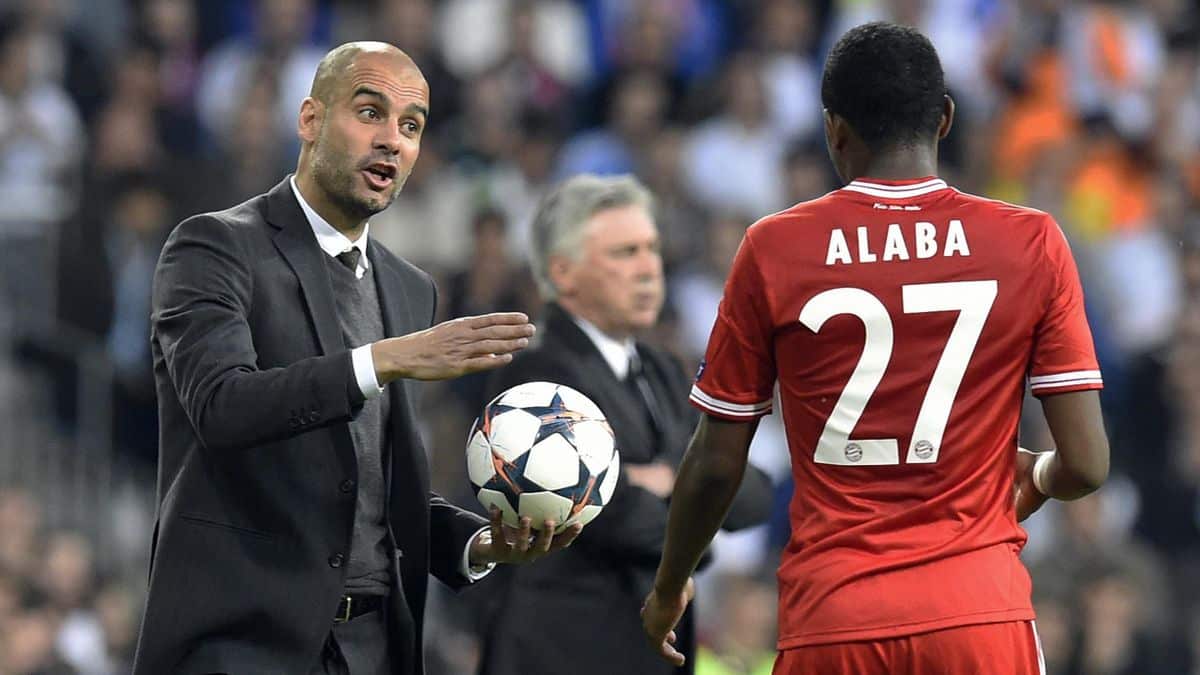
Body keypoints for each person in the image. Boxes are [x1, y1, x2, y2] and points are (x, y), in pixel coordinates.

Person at [642, 22, 1110, 675]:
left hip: (834, 621)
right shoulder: (1030, 241)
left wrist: (668, 587)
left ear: (834, 130)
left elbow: (717, 462)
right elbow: (1087, 464)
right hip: (979, 615)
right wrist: (1034, 475)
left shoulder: (775, 249)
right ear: (945, 118)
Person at [133, 42, 581, 675]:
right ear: (310, 120)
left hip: (372, 646)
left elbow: (374, 482)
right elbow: (222, 407)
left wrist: (479, 543)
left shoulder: (408, 288)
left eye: (411, 126)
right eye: (370, 112)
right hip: (242, 643)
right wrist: (381, 360)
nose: (392, 140)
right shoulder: (214, 246)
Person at [475, 174, 774, 675]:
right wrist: (693, 498)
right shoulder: (539, 376)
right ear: (563, 272)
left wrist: (665, 483)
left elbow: (749, 491)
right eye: (624, 253)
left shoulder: (659, 368)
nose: (648, 269)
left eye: (652, 249)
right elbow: (606, 518)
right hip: (562, 652)